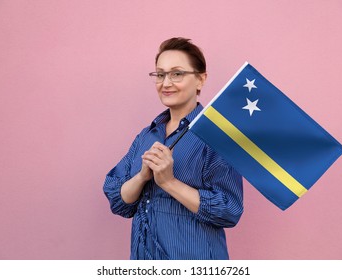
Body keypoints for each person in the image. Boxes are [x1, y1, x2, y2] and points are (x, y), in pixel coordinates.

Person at [103, 37, 243, 260]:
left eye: (177, 74)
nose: (166, 83)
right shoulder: (146, 136)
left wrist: (169, 182)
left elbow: (229, 210)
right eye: (160, 74)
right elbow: (119, 201)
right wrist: (141, 177)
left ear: (200, 79)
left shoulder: (217, 137)